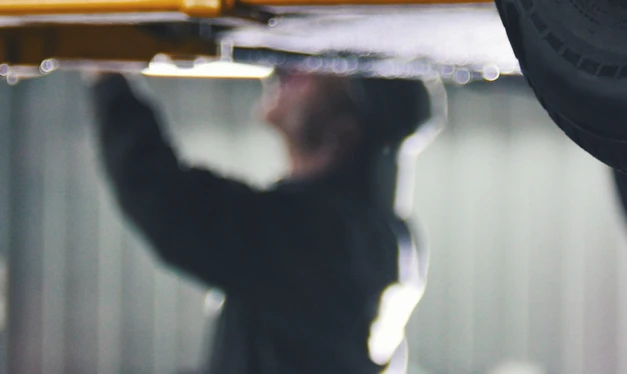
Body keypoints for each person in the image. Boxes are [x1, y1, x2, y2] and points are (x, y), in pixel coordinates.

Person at [90, 70, 441, 374]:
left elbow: (164, 198)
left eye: (304, 75)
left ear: (346, 130)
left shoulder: (328, 238)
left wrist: (108, 77)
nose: (282, 74)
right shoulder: (374, 235)